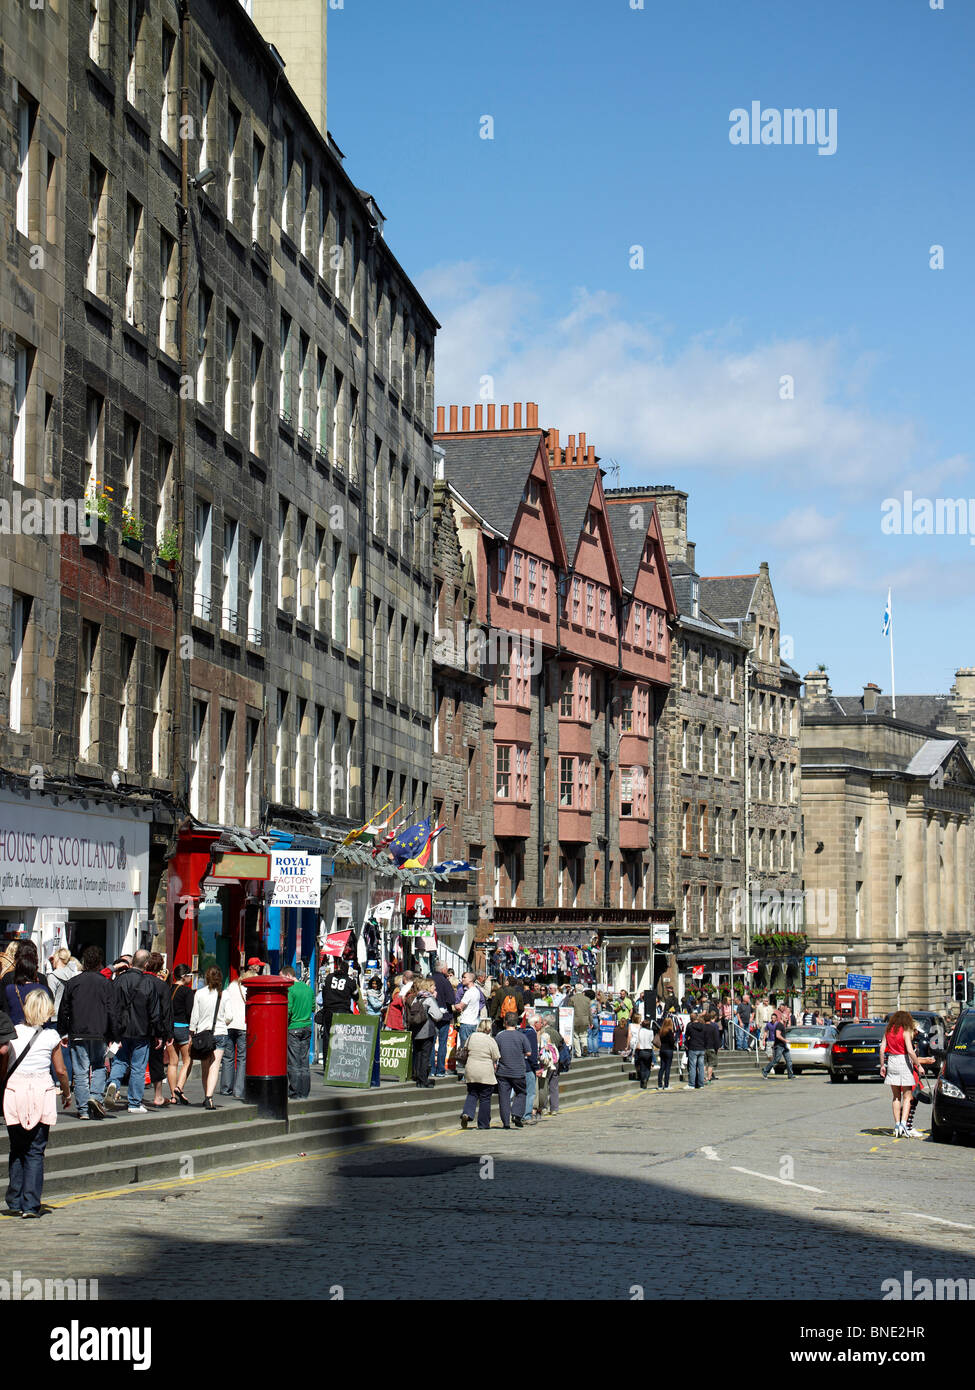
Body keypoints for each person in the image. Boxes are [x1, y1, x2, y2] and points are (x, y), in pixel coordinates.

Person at [3, 988, 71, 1216]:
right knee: (35, 1149)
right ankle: (31, 1204)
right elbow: (60, 1070)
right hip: (41, 1091)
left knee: (17, 1148)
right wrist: (67, 1091)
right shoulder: (51, 1036)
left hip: (15, 1090)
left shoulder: (13, 1033)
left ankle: (14, 1199)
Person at [56, 945, 116, 1121]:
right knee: (99, 1066)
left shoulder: (73, 983)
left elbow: (64, 1009)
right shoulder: (106, 984)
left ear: (83, 962)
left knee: (80, 1071)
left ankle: (82, 1109)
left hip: (78, 1031)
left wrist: (63, 1031)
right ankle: (95, 1097)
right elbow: (112, 1010)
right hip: (99, 1031)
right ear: (99, 963)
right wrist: (114, 1035)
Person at [104, 949, 160, 1114]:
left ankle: (113, 1083)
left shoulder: (120, 980)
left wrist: (111, 1032)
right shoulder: (149, 983)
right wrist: (157, 1033)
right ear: (147, 964)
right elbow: (154, 1011)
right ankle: (134, 1102)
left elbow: (112, 1007)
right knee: (138, 1067)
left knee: (120, 1061)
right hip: (142, 1030)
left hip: (122, 1030)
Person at [188, 966, 228, 1111]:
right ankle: (209, 1097)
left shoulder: (199, 993)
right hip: (220, 1033)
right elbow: (229, 1016)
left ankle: (207, 1095)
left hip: (204, 1035)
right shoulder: (224, 994)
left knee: (206, 1067)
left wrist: (191, 1033)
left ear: (206, 978)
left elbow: (195, 1017)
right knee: (215, 1066)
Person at [880, 1010, 922, 1138]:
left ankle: (897, 1124)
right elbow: (910, 1051)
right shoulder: (905, 1032)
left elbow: (882, 1049)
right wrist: (918, 1065)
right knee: (908, 1096)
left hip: (892, 1061)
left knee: (896, 1096)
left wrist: (882, 1065)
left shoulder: (888, 1031)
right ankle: (904, 1124)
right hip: (903, 1061)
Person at [144, 952, 175, 1108]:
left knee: (136, 1062)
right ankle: (158, 1096)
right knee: (156, 1062)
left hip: (137, 1027)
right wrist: (169, 1033)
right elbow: (167, 1011)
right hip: (157, 1030)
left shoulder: (140, 981)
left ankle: (132, 1095)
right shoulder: (162, 986)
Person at [459, 1020, 500, 1130]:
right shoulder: (490, 1040)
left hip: (471, 1069)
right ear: (489, 1028)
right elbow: (496, 1056)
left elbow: (466, 1049)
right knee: (485, 1098)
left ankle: (467, 1113)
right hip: (485, 1071)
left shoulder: (472, 1036)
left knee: (472, 1093)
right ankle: (483, 1124)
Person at [282, 965, 315, 1100]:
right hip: (307, 1027)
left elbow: (288, 1010)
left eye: (282, 977)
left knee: (294, 1062)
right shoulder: (308, 989)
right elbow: (313, 1007)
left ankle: (295, 1091)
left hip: (293, 1027)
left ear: (288, 976)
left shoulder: (290, 989)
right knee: (304, 1060)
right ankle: (305, 1090)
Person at [406, 977, 446, 1087]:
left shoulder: (416, 998)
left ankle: (418, 1078)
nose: (434, 988)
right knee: (425, 1056)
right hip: (427, 1030)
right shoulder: (429, 999)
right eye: (433, 986)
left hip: (416, 1030)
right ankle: (423, 1080)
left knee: (418, 1054)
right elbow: (438, 1016)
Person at [219, 964, 251, 1100]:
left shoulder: (229, 989)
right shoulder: (248, 990)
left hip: (229, 1025)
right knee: (242, 1058)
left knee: (227, 1058)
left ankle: (226, 1087)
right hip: (243, 1026)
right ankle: (239, 1089)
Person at [319, 959, 358, 1070]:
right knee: (341, 1038)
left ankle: (326, 1065)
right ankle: (339, 1064)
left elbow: (324, 992)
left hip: (328, 1011)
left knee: (327, 1037)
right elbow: (356, 996)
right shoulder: (350, 981)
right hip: (342, 1012)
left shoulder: (329, 977)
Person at [495, 1013, 531, 1128]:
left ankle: (505, 1122)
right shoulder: (521, 1036)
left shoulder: (499, 1036)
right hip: (518, 1071)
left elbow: (495, 1053)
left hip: (503, 1071)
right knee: (521, 1092)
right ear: (516, 1023)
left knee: (504, 1097)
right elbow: (529, 1052)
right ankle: (516, 1114)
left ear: (505, 1022)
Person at [3, 942, 53, 1025]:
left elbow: (4, 1007)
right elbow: (48, 1005)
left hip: (14, 1028)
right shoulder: (41, 979)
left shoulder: (8, 979)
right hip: (38, 1027)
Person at [167, 964, 195, 1104]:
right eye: (190, 975)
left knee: (172, 1063)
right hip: (183, 1028)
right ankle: (179, 1087)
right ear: (184, 977)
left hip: (169, 1029)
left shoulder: (168, 989)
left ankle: (173, 1096)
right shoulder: (187, 992)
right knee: (187, 1060)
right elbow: (190, 1012)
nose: (191, 978)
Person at [453, 972, 482, 1079]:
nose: (462, 979)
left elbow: (459, 1007)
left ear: (470, 979)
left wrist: (454, 1005)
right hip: (473, 1022)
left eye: (464, 977)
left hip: (466, 1022)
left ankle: (467, 1076)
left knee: (465, 1050)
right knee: (471, 1050)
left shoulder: (469, 992)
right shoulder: (477, 991)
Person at [431, 961, 456, 1077]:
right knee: (442, 1043)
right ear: (443, 970)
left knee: (431, 1043)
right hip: (444, 1016)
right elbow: (451, 1000)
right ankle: (440, 1069)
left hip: (431, 1015)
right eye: (446, 968)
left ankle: (431, 1069)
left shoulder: (429, 980)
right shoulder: (445, 982)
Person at [534, 1015, 562, 1116]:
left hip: (546, 1061)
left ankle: (544, 1107)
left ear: (545, 1022)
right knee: (554, 1085)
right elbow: (561, 1044)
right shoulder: (556, 1033)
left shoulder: (543, 1033)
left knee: (543, 1085)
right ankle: (554, 1108)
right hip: (555, 1061)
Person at [761, 1007, 796, 1080]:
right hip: (779, 1045)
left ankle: (790, 1074)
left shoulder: (783, 1025)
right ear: (782, 1018)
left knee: (788, 1060)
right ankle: (765, 1070)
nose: (787, 1019)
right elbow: (777, 1035)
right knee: (776, 1060)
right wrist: (785, 1040)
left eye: (787, 1018)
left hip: (783, 1045)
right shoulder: (779, 1025)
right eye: (786, 1018)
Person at [45, 948, 78, 1016]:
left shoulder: (53, 976)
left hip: (55, 1015)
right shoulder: (74, 974)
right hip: (70, 1014)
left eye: (53, 958)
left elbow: (50, 999)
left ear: (57, 958)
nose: (52, 961)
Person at [520, 1012, 540, 1121]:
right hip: (528, 1067)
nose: (541, 1025)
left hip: (519, 1065)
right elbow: (532, 1053)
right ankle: (526, 1115)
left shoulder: (522, 1030)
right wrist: (536, 1068)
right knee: (530, 1093)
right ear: (536, 1023)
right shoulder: (532, 1033)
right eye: (540, 1023)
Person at [683, 1012, 708, 1090]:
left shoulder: (690, 1026)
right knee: (701, 1067)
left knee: (692, 1067)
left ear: (691, 1019)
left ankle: (691, 1084)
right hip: (701, 1048)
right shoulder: (703, 1026)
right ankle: (701, 1084)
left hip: (693, 1048)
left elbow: (687, 1036)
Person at [633, 1015, 656, 1089]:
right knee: (648, 1067)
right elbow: (652, 1041)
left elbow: (637, 1040)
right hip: (648, 1050)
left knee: (642, 1067)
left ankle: (643, 1080)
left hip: (641, 1050)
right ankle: (646, 1079)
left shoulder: (640, 1031)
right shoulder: (651, 1032)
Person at [656, 1015, 676, 1090]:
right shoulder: (669, 1032)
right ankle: (666, 1085)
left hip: (662, 1050)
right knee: (667, 1068)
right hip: (668, 1050)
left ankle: (660, 1085)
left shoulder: (661, 1031)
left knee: (662, 1067)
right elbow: (672, 1041)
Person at [704, 1012, 721, 1083]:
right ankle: (709, 1078)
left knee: (704, 1064)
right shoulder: (713, 1027)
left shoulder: (702, 1027)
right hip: (711, 1047)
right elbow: (716, 1038)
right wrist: (717, 1047)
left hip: (703, 1047)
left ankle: (702, 1077)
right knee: (711, 1064)